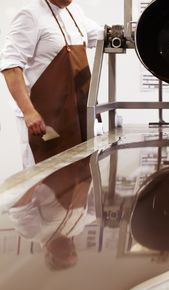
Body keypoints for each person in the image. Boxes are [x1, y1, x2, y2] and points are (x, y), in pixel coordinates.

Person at [0, 0, 102, 167]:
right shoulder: (31, 14)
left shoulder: (74, 12)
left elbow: (103, 36)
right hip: (44, 120)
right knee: (44, 183)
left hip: (75, 116)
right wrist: (29, 112)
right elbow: (10, 65)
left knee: (79, 179)